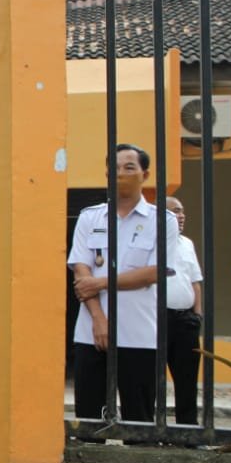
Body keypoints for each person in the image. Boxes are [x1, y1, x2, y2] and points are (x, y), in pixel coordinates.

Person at [68, 144, 180, 424]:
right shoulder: (90, 217)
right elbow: (81, 273)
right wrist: (99, 319)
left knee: (138, 419)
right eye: (114, 168)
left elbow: (154, 272)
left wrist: (100, 282)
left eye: (129, 167)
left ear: (145, 174)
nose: (120, 173)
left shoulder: (162, 220)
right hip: (92, 333)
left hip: (139, 334)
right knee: (90, 420)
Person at [164, 195, 204, 426]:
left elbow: (195, 281)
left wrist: (197, 314)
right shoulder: (152, 243)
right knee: (152, 378)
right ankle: (153, 427)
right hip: (157, 318)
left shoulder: (187, 243)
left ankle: (187, 429)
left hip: (185, 319)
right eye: (175, 211)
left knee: (187, 379)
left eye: (182, 211)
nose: (181, 216)